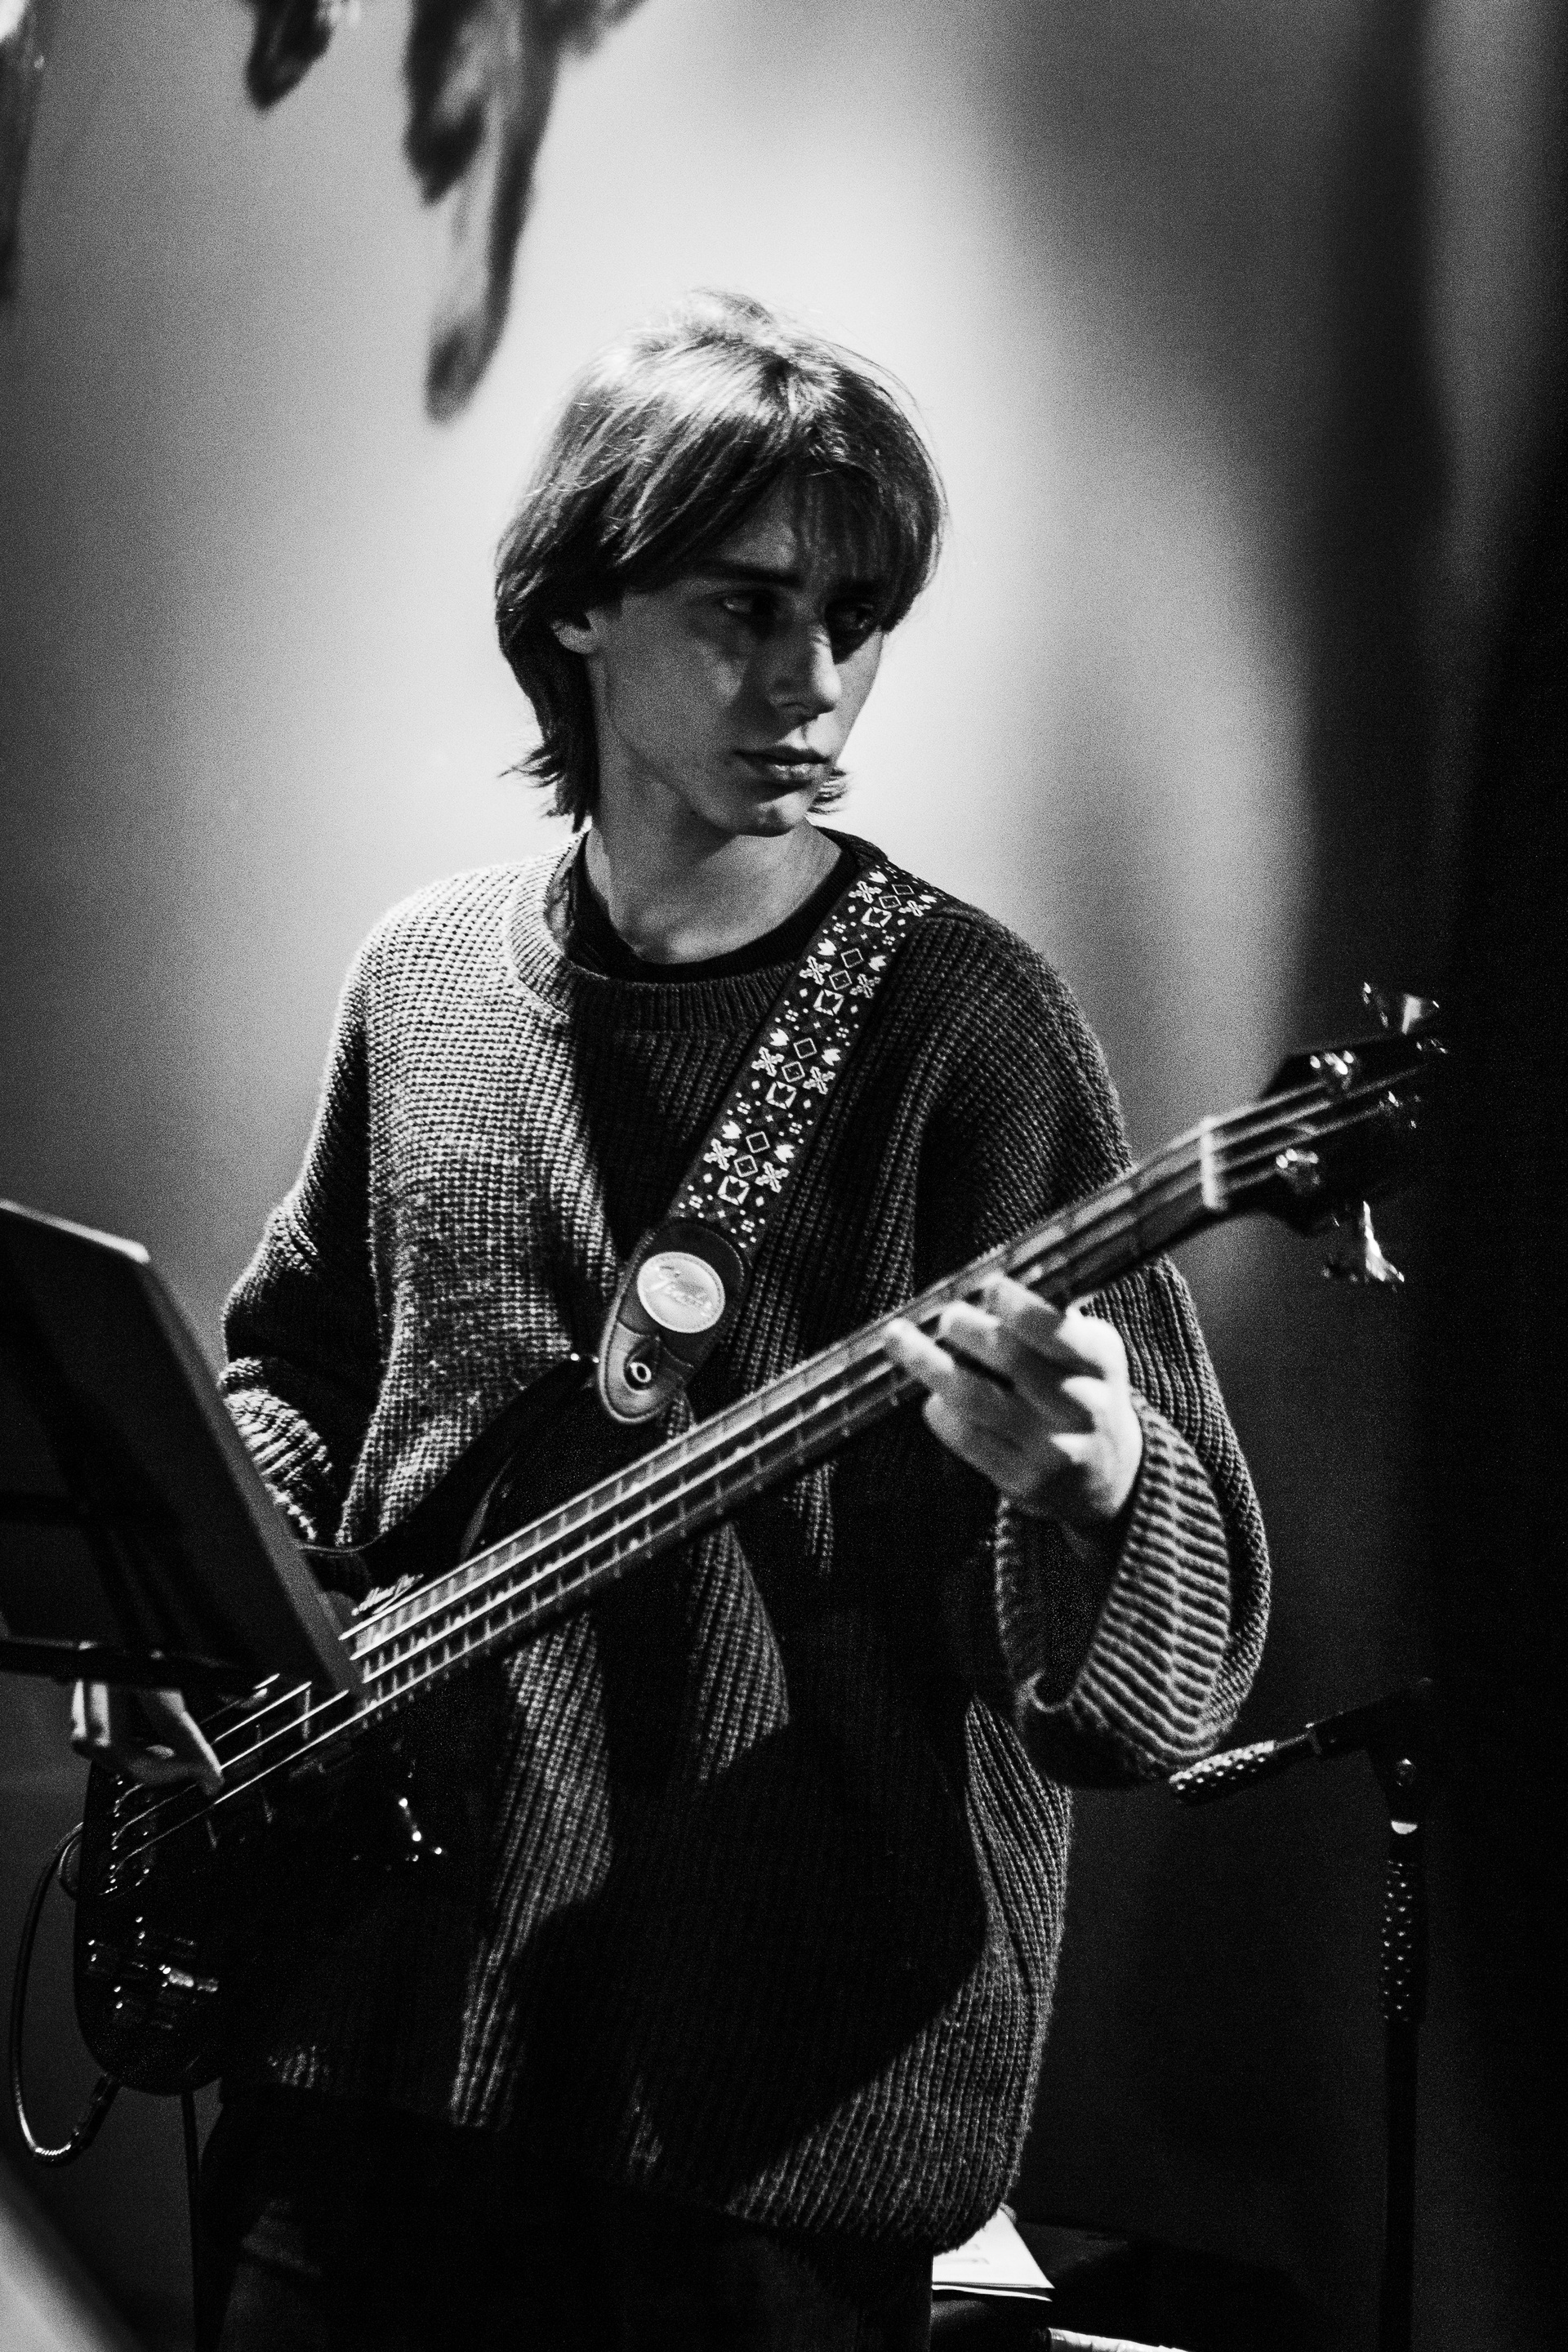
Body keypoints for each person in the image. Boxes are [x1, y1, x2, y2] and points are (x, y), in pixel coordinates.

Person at [73, 292, 1269, 2351]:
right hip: (359, 2030)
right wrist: (189, 1618)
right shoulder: (426, 983)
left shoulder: (968, 1032)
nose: (815, 680)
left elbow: (1184, 1660)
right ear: (577, 607)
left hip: (750, 2134)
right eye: (745, 608)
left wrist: (1101, 1487)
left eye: (857, 617)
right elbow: (303, 1379)